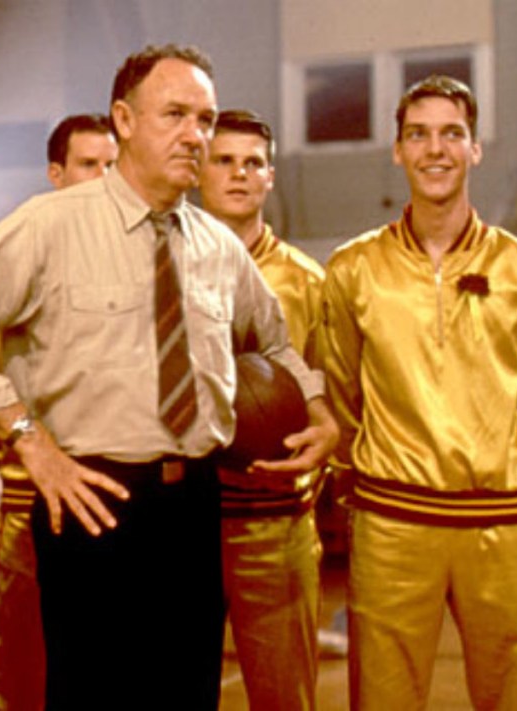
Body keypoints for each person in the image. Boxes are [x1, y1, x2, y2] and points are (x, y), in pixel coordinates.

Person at [0, 43, 339, 710]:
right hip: (89, 501)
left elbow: (276, 343)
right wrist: (28, 438)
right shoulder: (49, 225)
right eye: (175, 115)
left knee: (187, 697)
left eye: (205, 119)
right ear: (124, 121)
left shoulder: (218, 246)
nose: (194, 135)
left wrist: (319, 409)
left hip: (195, 506)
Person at [317, 75, 517, 710]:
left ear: (475, 148)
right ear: (397, 150)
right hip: (392, 524)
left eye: (452, 133)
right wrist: (364, 493)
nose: (435, 149)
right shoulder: (352, 269)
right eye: (418, 134)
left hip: (502, 526)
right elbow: (341, 400)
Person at [0, 111, 118, 711]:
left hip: (117, 505)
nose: (103, 178)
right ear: (56, 173)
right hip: (33, 505)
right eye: (88, 165)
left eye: (112, 165)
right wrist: (7, 449)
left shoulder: (143, 257)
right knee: (26, 681)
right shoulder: (17, 254)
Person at [197, 108, 328, 710]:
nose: (239, 174)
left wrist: (315, 469)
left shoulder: (308, 281)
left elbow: (332, 399)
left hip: (276, 519)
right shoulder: (161, 266)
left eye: (253, 163)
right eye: (223, 160)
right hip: (183, 518)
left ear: (270, 177)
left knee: (284, 699)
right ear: (199, 170)